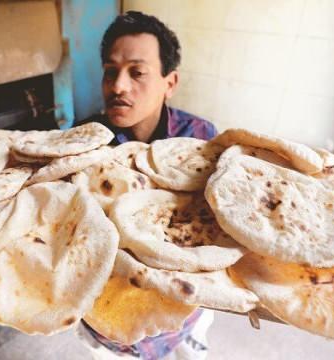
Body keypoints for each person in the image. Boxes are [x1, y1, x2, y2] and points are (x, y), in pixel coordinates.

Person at [75, 11, 217, 360]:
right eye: (111, 72)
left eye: (137, 72)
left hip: (181, 310)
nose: (118, 86)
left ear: (170, 83)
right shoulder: (84, 144)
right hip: (109, 318)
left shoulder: (200, 140)